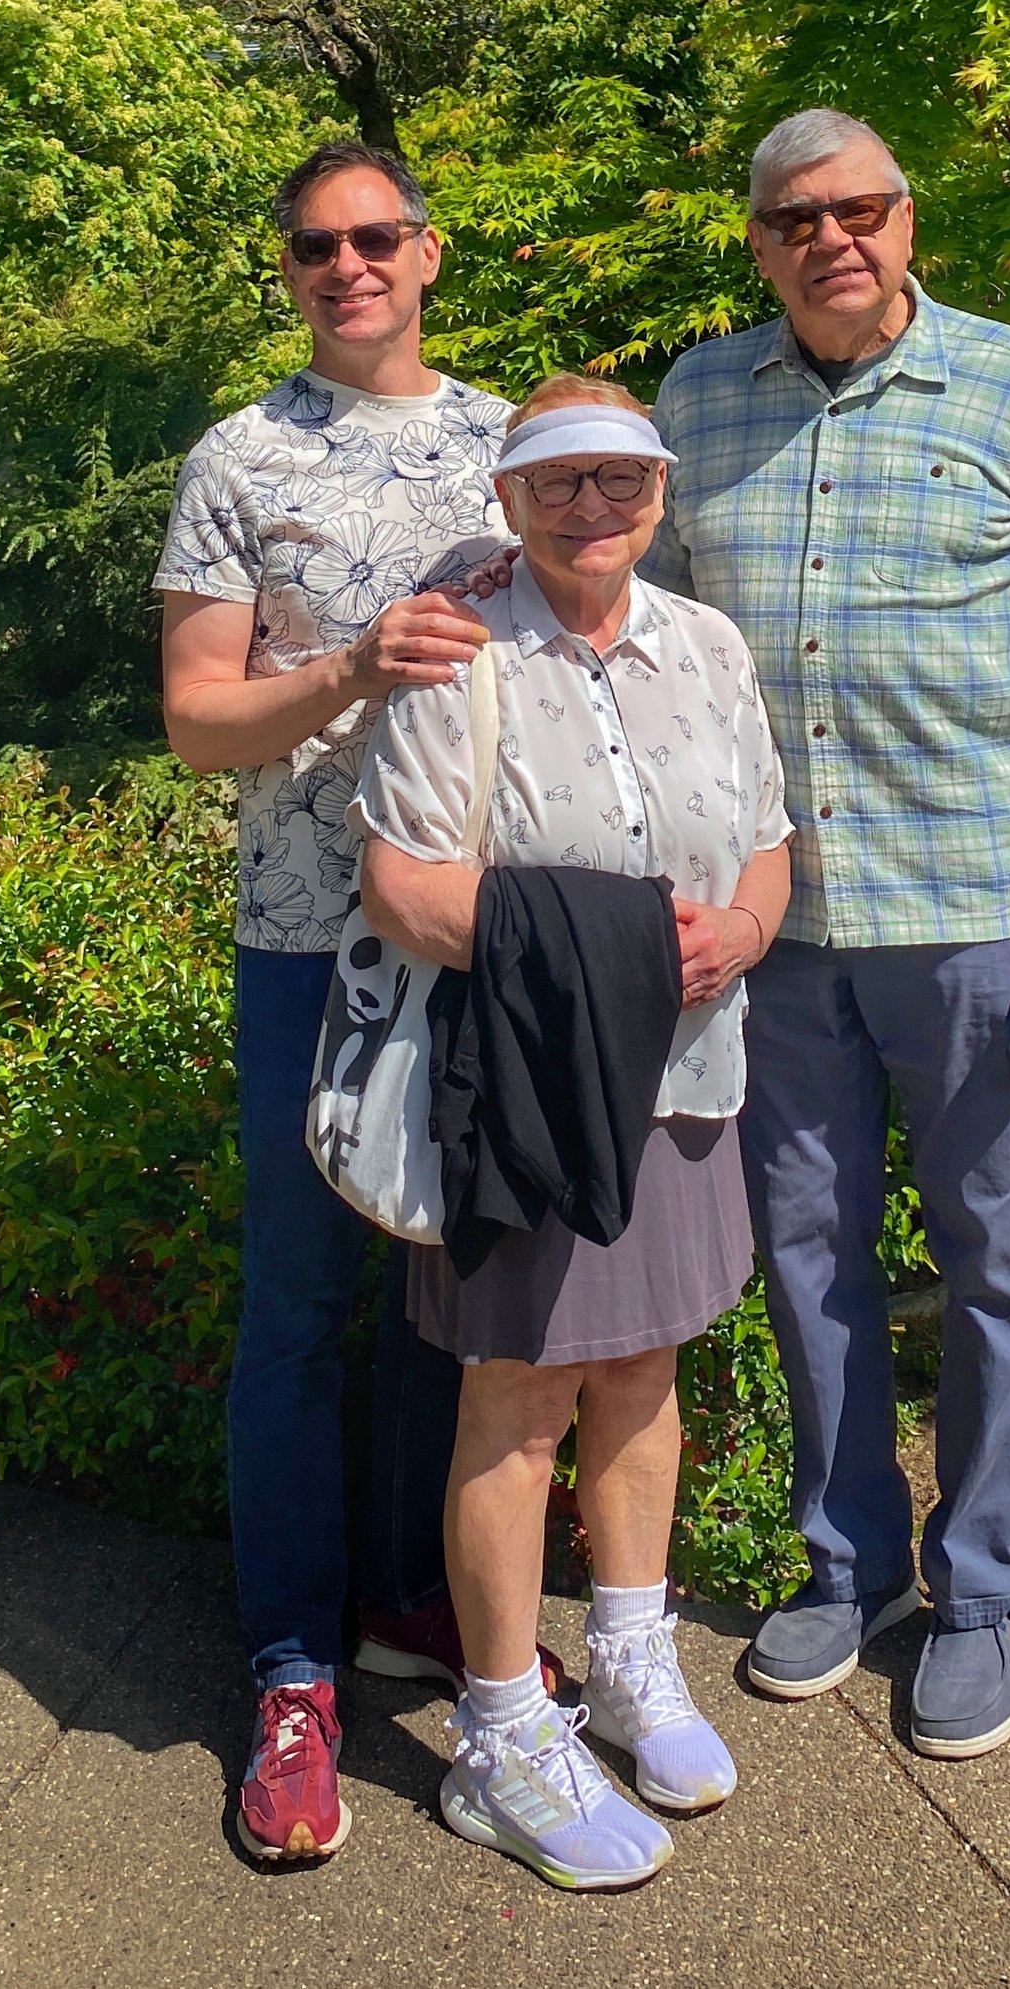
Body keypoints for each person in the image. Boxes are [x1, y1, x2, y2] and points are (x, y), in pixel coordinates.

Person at [650, 108, 1010, 1763]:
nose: (831, 238)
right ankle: (848, 1558)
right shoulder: (700, 401)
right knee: (808, 1255)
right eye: (796, 218)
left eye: (859, 207)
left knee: (1000, 1261)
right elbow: (635, 635)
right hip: (781, 922)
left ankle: (985, 1589)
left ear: (906, 216)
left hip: (972, 912)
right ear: (759, 242)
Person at [355, 375, 793, 1893]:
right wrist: (611, 947)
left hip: (683, 1077)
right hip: (532, 1087)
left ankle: (624, 1657)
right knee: (518, 1399)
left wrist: (736, 930)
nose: (592, 507)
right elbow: (406, 889)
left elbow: (766, 845)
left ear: (659, 493)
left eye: (621, 479)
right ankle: (496, 1734)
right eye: (559, 482)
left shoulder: (710, 645)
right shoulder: (454, 652)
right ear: (510, 499)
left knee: (644, 1367)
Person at [155, 139, 517, 1867]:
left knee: (461, 1292)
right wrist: (352, 666)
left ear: (428, 252)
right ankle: (295, 1666)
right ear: (290, 269)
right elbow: (199, 721)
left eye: (377, 237)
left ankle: (414, 1603)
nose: (349, 264)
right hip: (305, 940)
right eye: (317, 245)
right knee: (299, 1305)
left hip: (478, 936)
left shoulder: (518, 442)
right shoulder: (240, 457)